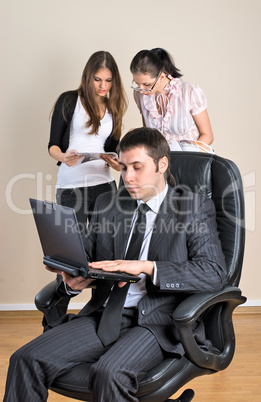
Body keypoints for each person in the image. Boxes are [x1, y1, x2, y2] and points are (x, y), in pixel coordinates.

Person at [3, 128, 227, 402]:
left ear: (162, 165)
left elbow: (214, 273)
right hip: (106, 315)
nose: (128, 178)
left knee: (109, 373)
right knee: (26, 358)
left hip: (159, 322)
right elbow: (86, 257)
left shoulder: (192, 207)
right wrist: (70, 274)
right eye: (123, 168)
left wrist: (146, 267)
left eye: (137, 167)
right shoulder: (109, 203)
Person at [49, 50, 128, 231]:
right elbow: (52, 146)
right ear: (87, 77)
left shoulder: (113, 108)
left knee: (106, 248)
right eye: (97, 79)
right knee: (73, 250)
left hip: (104, 186)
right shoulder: (69, 100)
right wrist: (63, 157)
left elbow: (113, 150)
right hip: (71, 186)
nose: (103, 86)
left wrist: (118, 165)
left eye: (108, 81)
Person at [130, 48, 214, 150]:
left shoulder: (189, 92)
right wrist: (138, 136)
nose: (141, 90)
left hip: (191, 159)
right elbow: (150, 134)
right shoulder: (140, 95)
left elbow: (207, 135)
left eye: (146, 84)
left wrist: (186, 156)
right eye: (137, 83)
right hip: (162, 162)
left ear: (161, 77)